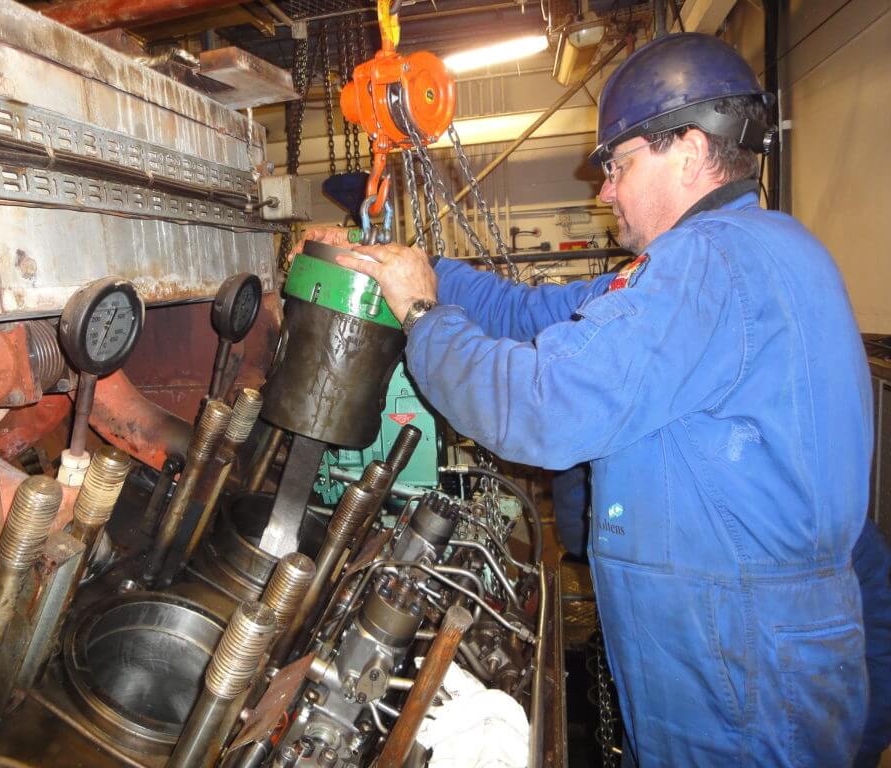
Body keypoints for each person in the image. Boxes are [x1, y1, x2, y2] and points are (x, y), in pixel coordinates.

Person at [299, 32, 874, 766]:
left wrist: (421, 318)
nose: (604, 189)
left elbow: (542, 408)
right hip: (740, 646)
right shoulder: (751, 252)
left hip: (735, 665)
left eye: (619, 164)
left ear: (690, 151)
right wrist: (415, 269)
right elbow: (534, 315)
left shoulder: (710, 263)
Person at [553, 461, 891, 766]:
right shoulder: (671, 498)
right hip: (669, 722)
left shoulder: (836, 531)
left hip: (781, 741)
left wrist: (859, 753)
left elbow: (880, 652)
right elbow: (577, 531)